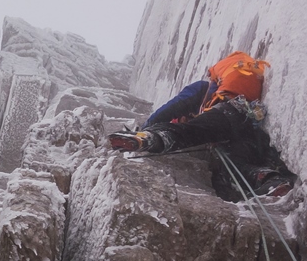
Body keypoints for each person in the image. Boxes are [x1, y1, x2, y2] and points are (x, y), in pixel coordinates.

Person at [108, 51, 296, 198]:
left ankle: (148, 139)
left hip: (226, 115)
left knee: (185, 133)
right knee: (235, 169)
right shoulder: (234, 93)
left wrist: (148, 127)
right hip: (249, 127)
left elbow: (172, 108)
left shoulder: (202, 89)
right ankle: (270, 180)